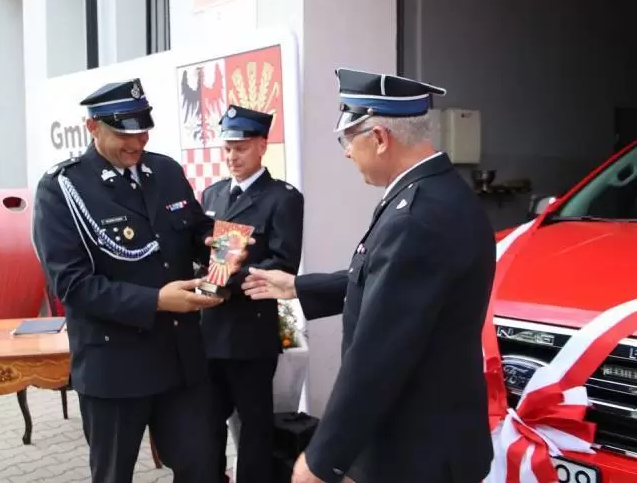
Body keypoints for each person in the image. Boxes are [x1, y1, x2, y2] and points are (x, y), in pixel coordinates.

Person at [241, 69, 497, 483]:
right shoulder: (436, 193)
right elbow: (389, 283)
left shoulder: (417, 216)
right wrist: (298, 286)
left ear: (379, 137)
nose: (346, 153)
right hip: (432, 437)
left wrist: (322, 459)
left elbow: (377, 354)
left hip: (414, 450)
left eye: (347, 139)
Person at [31, 78, 251, 483]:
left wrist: (224, 248)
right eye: (123, 135)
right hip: (115, 367)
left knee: (203, 469)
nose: (136, 143)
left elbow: (195, 232)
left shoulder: (164, 170)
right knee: (114, 474)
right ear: (92, 127)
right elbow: (73, 284)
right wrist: (157, 301)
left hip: (181, 361)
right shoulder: (63, 188)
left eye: (143, 132)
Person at [199, 105, 304, 483]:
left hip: (250, 333)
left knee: (254, 427)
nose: (232, 157)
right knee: (206, 424)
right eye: (227, 148)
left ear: (262, 146)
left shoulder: (282, 198)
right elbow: (201, 253)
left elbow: (283, 265)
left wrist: (223, 278)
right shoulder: (212, 194)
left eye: (241, 148)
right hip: (209, 329)